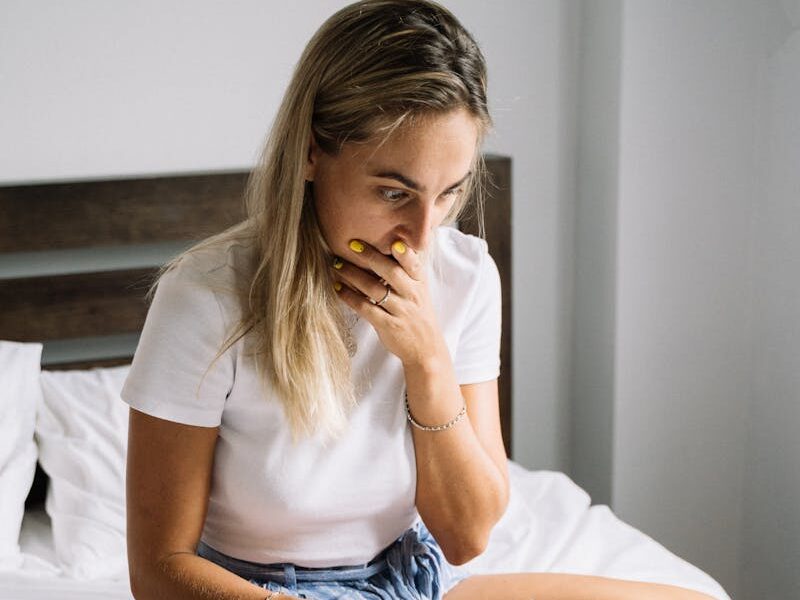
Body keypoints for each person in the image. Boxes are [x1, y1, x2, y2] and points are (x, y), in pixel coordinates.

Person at [122, 1, 717, 599]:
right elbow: (158, 569)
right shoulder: (205, 297)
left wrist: (428, 361)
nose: (422, 235)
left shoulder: (466, 277)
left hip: (414, 577)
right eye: (392, 191)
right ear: (310, 152)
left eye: (450, 193)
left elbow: (466, 536)